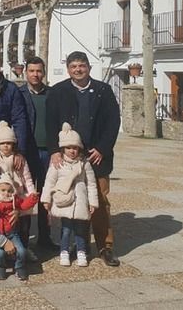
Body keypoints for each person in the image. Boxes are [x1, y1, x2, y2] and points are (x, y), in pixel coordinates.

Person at [46, 51, 121, 267]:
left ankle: (105, 247)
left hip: (96, 157)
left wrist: (102, 148)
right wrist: (54, 151)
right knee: (74, 200)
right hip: (69, 158)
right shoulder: (58, 91)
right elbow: (50, 123)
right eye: (74, 66)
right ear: (68, 69)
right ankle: (80, 244)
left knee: (100, 202)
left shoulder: (103, 91)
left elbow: (113, 122)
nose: (78, 70)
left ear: (88, 67)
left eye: (82, 65)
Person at [41, 122, 98, 267]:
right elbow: (49, 182)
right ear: (63, 149)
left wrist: (93, 202)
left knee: (80, 229)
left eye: (75, 148)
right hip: (65, 201)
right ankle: (64, 251)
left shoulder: (84, 164)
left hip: (80, 201)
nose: (72, 151)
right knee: (66, 229)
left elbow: (91, 184)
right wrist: (46, 199)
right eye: (68, 148)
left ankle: (81, 251)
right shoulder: (58, 164)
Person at [18, 56, 59, 250]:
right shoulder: (18, 94)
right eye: (32, 71)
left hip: (48, 153)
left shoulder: (53, 95)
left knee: (45, 196)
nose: (35, 74)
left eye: (39, 71)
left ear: (44, 72)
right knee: (26, 196)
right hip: (26, 153)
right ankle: (24, 240)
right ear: (26, 72)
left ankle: (45, 237)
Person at [0, 121, 37, 261]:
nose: (6, 146)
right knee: (7, 226)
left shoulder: (20, 159)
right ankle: (8, 251)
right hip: (4, 197)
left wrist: (31, 192)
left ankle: (25, 248)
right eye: (3, 143)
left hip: (20, 196)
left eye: (9, 143)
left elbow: (27, 178)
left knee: (24, 225)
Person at [0, 174, 37, 281]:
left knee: (21, 251)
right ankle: (1, 268)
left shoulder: (14, 200)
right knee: (0, 253)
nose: (6, 193)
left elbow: (24, 205)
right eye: (3, 190)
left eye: (10, 191)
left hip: (12, 233)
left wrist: (32, 198)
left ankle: (19, 267)